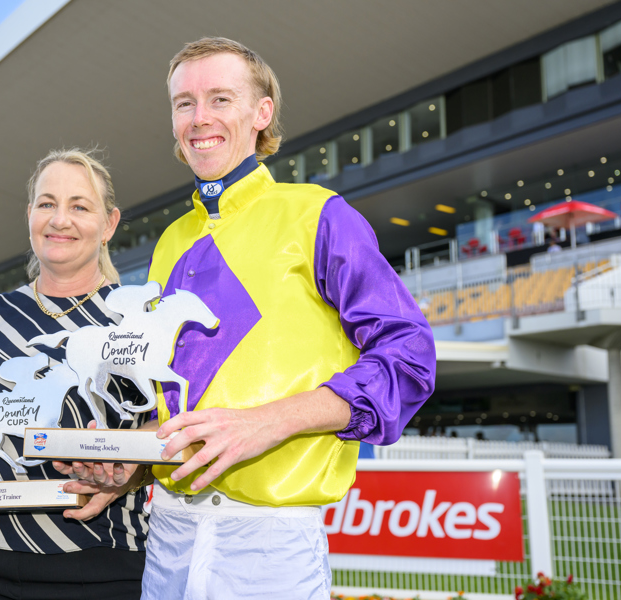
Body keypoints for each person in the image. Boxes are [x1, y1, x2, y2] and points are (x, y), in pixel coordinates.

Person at [141, 37, 436, 598]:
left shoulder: (319, 214)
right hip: (167, 536)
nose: (199, 118)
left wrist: (271, 421)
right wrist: (123, 459)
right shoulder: (169, 241)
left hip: (271, 545)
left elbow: (409, 358)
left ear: (262, 113)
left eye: (220, 99)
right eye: (184, 103)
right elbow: (165, 397)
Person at [0, 149, 150, 600]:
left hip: (101, 563)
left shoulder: (136, 320)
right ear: (29, 216)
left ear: (109, 224)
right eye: (47, 204)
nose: (60, 220)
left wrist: (130, 470)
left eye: (79, 206)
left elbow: (168, 426)